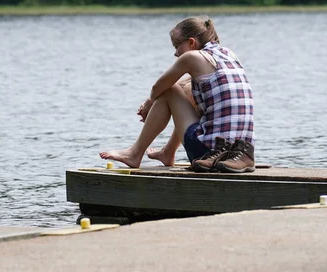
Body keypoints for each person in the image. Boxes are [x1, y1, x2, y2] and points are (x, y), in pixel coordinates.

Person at [99, 16, 255, 173]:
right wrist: (152, 102)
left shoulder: (191, 57)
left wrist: (148, 104)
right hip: (238, 154)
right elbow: (184, 85)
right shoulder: (228, 54)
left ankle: (134, 153)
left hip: (210, 155)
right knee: (187, 89)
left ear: (191, 42)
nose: (175, 53)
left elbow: (158, 88)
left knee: (169, 90)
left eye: (176, 46)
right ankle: (168, 152)